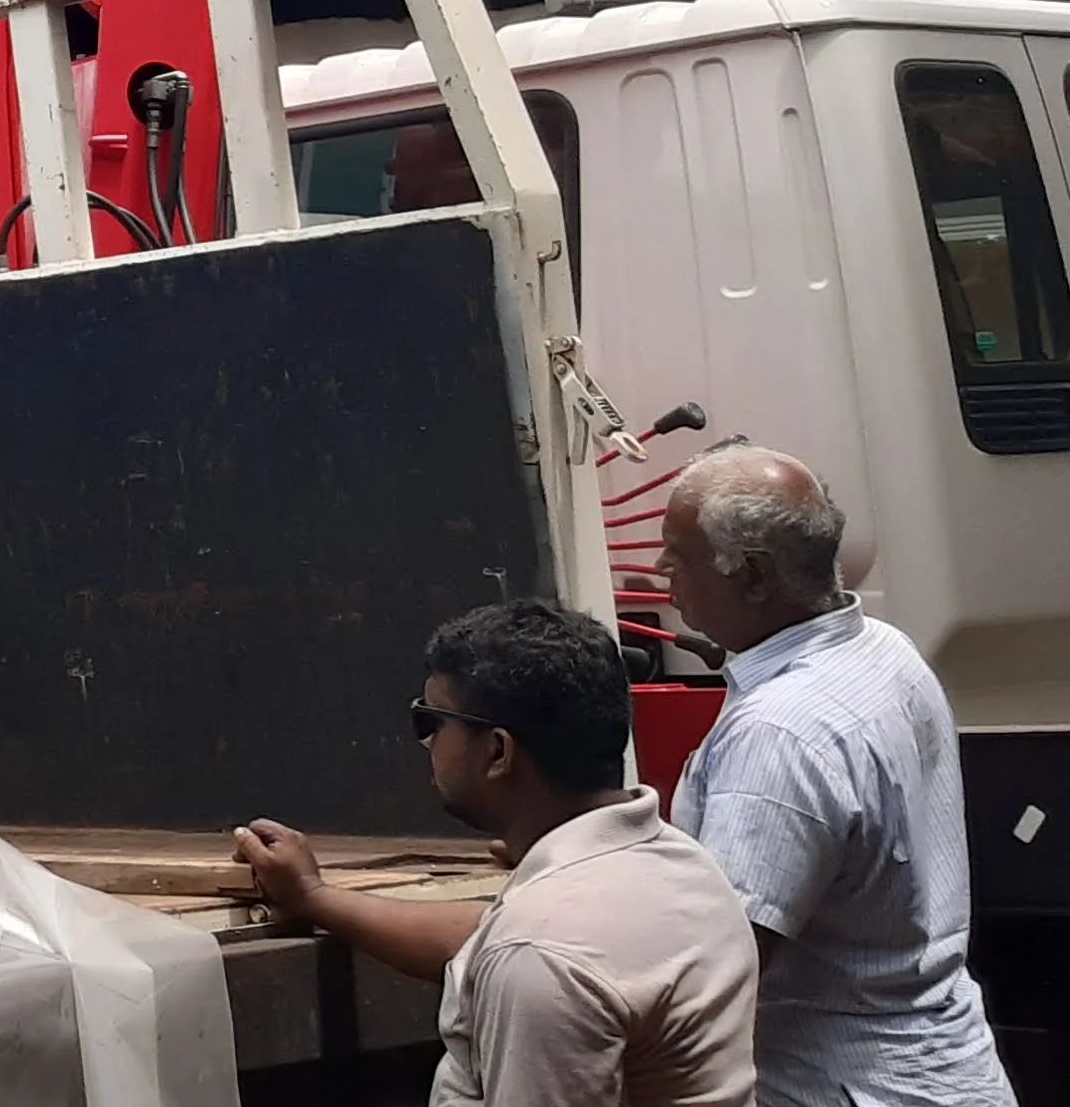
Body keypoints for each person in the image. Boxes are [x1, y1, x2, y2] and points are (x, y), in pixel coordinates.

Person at [236, 598, 758, 1107]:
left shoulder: (543, 949)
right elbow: (492, 942)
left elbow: (534, 955)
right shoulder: (678, 866)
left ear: (498, 752)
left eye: (430, 722)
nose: (426, 744)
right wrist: (313, 896)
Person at [661, 446, 1014, 1106]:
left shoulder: (779, 732)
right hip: (947, 1066)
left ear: (757, 576)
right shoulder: (885, 649)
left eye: (680, 556)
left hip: (847, 1085)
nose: (662, 572)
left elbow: (721, 969)